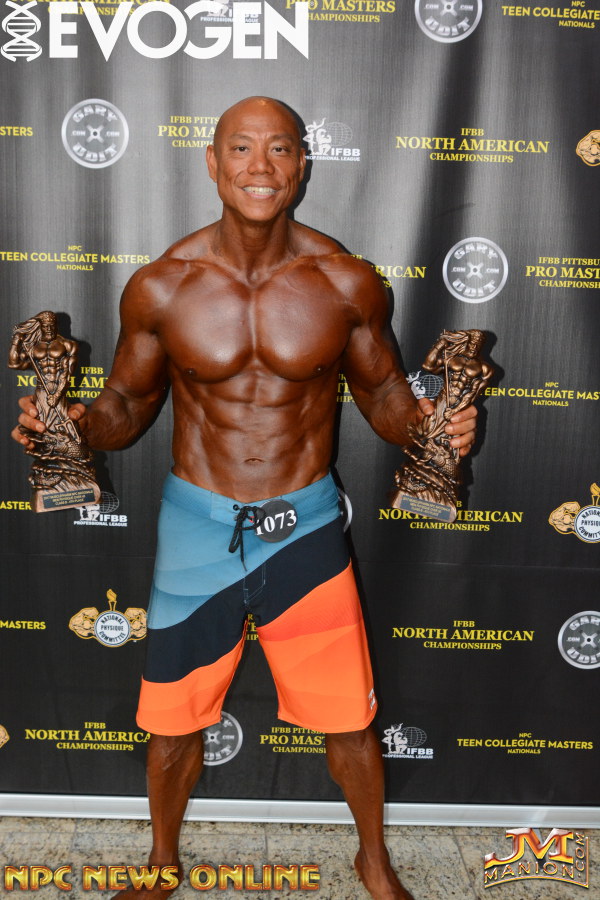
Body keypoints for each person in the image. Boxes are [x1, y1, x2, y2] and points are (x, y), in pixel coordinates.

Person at [13, 97, 478, 900]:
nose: (260, 167)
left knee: (349, 720)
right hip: (199, 525)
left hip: (305, 525)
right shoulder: (162, 286)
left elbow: (384, 398)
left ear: (302, 165)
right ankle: (161, 863)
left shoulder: (346, 281)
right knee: (171, 722)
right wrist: (75, 425)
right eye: (240, 149)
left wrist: (433, 427)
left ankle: (372, 860)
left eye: (279, 149)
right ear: (212, 161)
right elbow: (128, 404)